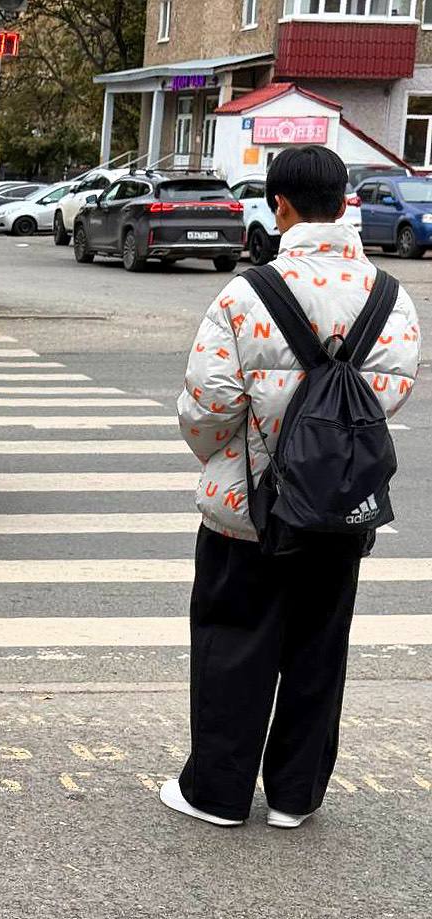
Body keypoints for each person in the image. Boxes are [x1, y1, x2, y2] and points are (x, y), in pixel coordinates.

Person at [168, 146, 420, 828]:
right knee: (319, 650)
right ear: (343, 203)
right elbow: (388, 394)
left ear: (278, 205)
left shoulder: (246, 294)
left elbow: (207, 406)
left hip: (248, 511)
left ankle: (217, 794)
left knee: (231, 645)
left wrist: (235, 459)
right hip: (338, 507)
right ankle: (293, 797)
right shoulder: (391, 297)